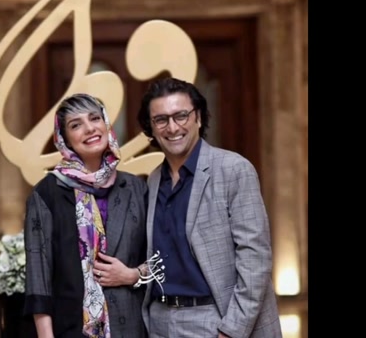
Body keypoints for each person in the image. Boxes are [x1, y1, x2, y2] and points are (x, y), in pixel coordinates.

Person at [136, 77, 283, 338]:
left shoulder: (233, 169)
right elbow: (165, 256)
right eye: (161, 119)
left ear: (199, 118)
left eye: (181, 115)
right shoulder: (155, 180)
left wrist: (232, 330)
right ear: (152, 127)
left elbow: (255, 259)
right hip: (160, 321)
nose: (172, 127)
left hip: (214, 319)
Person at [23, 93, 149, 338]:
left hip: (132, 327)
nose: (89, 128)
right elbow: (38, 277)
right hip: (71, 328)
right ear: (64, 139)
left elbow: (160, 257)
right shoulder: (46, 194)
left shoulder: (135, 188)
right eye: (76, 125)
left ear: (106, 124)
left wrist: (133, 275)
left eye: (95, 118)